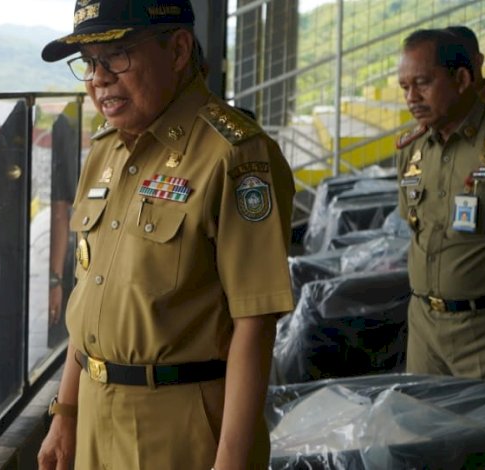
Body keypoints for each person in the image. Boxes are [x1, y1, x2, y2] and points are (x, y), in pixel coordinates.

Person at [36, 1, 296, 468]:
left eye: (117, 56)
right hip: (95, 416)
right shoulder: (106, 150)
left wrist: (231, 462)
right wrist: (66, 412)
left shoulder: (235, 155)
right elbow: (91, 291)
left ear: (177, 51)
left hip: (180, 428)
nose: (99, 79)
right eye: (90, 62)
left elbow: (255, 322)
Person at [395, 28, 485, 392]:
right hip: (424, 328)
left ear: (461, 79)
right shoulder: (411, 150)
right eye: (405, 87)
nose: (412, 97)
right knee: (424, 424)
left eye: (422, 83)